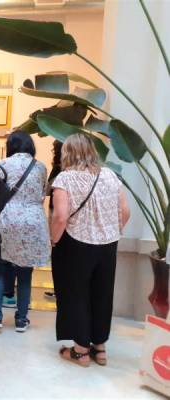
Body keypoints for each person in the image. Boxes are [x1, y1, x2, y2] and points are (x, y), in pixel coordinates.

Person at [50, 133, 130, 367]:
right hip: (108, 245)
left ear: (68, 153)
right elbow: (125, 212)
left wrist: (54, 240)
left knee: (76, 294)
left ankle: (80, 351)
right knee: (102, 294)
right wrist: (112, 231)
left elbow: (61, 216)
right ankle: (100, 348)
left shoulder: (65, 179)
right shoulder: (110, 176)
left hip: (76, 244)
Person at [0, 131, 50, 333]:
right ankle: (21, 320)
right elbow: (41, 194)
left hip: (7, 219)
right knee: (25, 273)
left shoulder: (1, 165)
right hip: (33, 221)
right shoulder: (40, 167)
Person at [44, 139, 63, 301]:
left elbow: (48, 189)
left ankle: (58, 288)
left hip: (55, 209)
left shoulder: (57, 167)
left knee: (56, 247)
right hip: (70, 212)